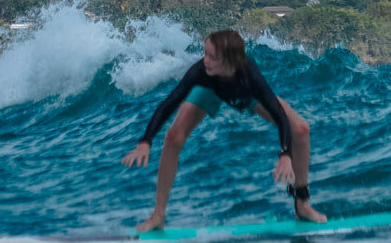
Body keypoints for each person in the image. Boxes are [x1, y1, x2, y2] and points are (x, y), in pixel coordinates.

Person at [121, 29, 325, 230]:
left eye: (212, 57)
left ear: (230, 61)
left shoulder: (249, 73)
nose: (205, 60)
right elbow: (169, 103)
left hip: (243, 93)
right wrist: (145, 141)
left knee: (300, 129)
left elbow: (279, 115)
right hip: (208, 90)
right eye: (205, 54)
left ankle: (302, 204)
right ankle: (158, 215)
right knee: (173, 136)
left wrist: (285, 155)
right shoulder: (201, 71)